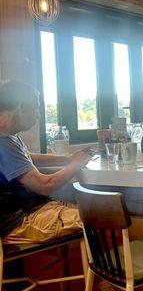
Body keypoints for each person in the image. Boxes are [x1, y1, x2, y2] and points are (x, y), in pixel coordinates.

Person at [0, 80, 92, 244]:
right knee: (98, 217)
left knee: (88, 211)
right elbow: (44, 186)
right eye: (35, 107)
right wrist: (75, 165)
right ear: (21, 106)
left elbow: (28, 157)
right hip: (17, 221)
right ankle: (106, 269)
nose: (38, 114)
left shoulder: (9, 135)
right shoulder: (3, 141)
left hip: (25, 211)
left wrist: (67, 159)